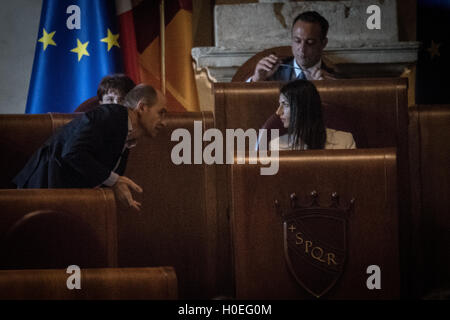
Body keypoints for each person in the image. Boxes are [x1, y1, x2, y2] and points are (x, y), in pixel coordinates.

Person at [13, 84, 167, 211]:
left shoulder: (127, 134)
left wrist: (115, 184)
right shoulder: (110, 115)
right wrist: (114, 180)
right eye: (161, 113)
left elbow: (101, 171)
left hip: (61, 200)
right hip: (40, 192)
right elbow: (72, 153)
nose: (164, 122)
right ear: (142, 108)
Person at [249, 11, 335, 82]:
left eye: (310, 42)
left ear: (323, 43)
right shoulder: (272, 73)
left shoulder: (334, 79)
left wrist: (329, 91)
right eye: (297, 41)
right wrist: (257, 79)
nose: (302, 48)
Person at [269, 80, 355, 150]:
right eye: (280, 105)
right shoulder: (276, 145)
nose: (278, 112)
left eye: (286, 105)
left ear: (304, 108)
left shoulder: (345, 141)